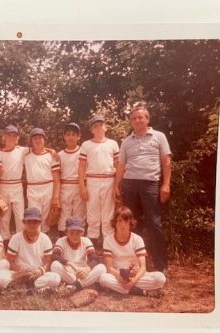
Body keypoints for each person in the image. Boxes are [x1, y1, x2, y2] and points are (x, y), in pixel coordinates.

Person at [113, 101, 171, 272]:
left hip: (150, 184)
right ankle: (135, 265)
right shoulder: (126, 141)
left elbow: (166, 162)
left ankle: (160, 266)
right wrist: (117, 185)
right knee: (132, 224)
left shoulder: (159, 137)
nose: (137, 120)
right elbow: (121, 166)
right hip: (130, 185)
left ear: (147, 119)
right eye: (134, 118)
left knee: (154, 224)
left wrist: (166, 184)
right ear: (131, 121)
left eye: (140, 118)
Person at [99, 206, 166, 297]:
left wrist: (133, 280)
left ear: (130, 223)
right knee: (103, 278)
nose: (123, 224)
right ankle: (143, 292)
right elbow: (109, 268)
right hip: (118, 275)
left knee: (160, 278)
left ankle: (119, 289)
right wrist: (119, 277)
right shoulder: (108, 240)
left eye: (126, 221)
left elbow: (143, 268)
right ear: (115, 223)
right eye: (119, 221)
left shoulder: (137, 239)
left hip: (135, 275)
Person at [0, 207, 61, 290]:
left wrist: (40, 271)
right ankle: (32, 289)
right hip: (19, 273)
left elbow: (48, 262)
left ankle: (20, 288)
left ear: (40, 222)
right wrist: (22, 272)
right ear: (23, 222)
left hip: (37, 274)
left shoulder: (45, 239)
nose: (32, 224)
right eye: (29, 221)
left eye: (35, 221)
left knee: (55, 277)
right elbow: (9, 261)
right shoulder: (16, 238)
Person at [79, 115, 119, 249]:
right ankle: (93, 250)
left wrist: (118, 185)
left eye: (101, 125)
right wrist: (82, 187)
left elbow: (118, 165)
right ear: (91, 129)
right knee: (92, 217)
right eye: (95, 126)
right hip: (92, 181)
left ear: (105, 127)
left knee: (108, 217)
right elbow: (81, 167)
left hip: (109, 180)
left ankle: (109, 249)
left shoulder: (113, 143)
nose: (98, 128)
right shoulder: (86, 145)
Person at [51, 216, 106, 291]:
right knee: (55, 265)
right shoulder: (61, 241)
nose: (74, 236)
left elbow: (94, 259)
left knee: (102, 268)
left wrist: (87, 269)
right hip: (69, 271)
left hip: (83, 272)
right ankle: (83, 284)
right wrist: (70, 263)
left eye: (77, 233)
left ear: (82, 233)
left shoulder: (86, 241)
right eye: (71, 232)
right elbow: (54, 255)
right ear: (66, 232)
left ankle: (76, 285)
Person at [24, 128, 60, 233]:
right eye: (35, 138)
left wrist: (55, 196)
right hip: (32, 189)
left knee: (45, 218)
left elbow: (56, 178)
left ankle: (45, 243)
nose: (38, 140)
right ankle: (34, 240)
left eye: (40, 138)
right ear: (31, 141)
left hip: (48, 187)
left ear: (44, 139)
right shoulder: (26, 154)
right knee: (34, 216)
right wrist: (50, 149)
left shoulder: (51, 156)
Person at [0, 125, 29, 248]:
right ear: (4, 137)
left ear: (17, 138)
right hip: (3, 185)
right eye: (9, 135)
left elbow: (39, 148)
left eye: (14, 136)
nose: (11, 138)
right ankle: (5, 245)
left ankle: (20, 245)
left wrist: (51, 150)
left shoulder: (22, 150)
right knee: (4, 217)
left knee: (20, 216)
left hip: (17, 185)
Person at [57, 123, 86, 238]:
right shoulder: (59, 155)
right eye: (68, 134)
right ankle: (62, 239)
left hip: (79, 186)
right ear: (64, 136)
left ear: (79, 137)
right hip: (65, 186)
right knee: (64, 213)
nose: (70, 137)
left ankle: (80, 239)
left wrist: (84, 187)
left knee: (80, 214)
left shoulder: (83, 152)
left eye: (74, 134)